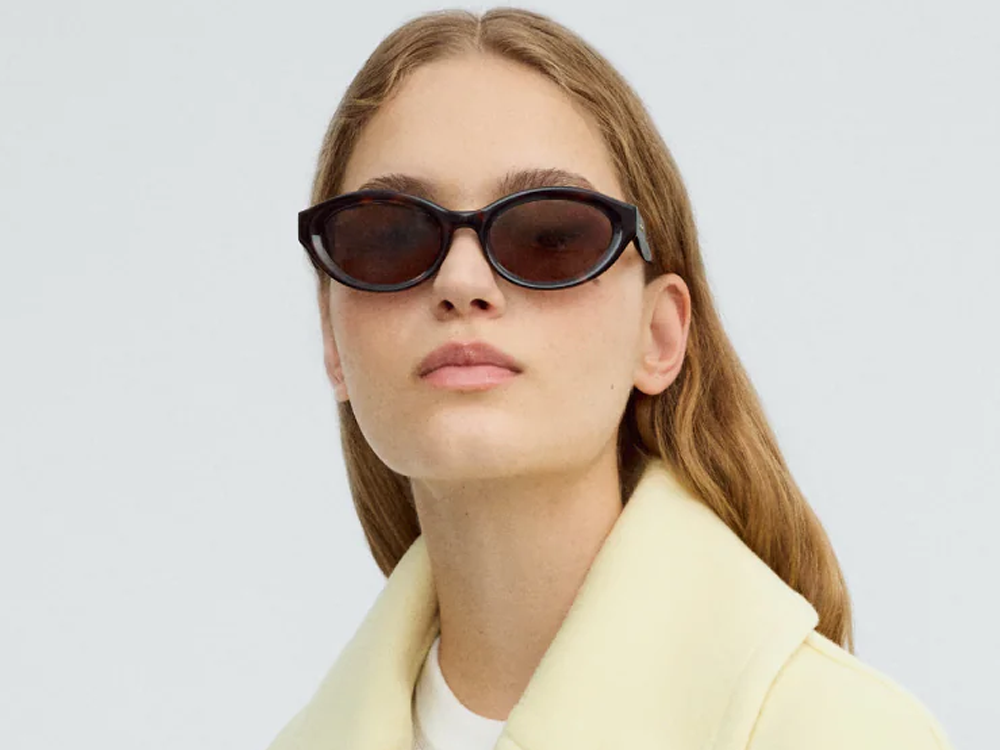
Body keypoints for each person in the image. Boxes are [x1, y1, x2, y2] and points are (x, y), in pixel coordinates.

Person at [269, 7, 955, 750]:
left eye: (550, 236)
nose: (461, 282)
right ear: (332, 338)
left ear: (659, 336)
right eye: (389, 237)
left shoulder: (837, 731)